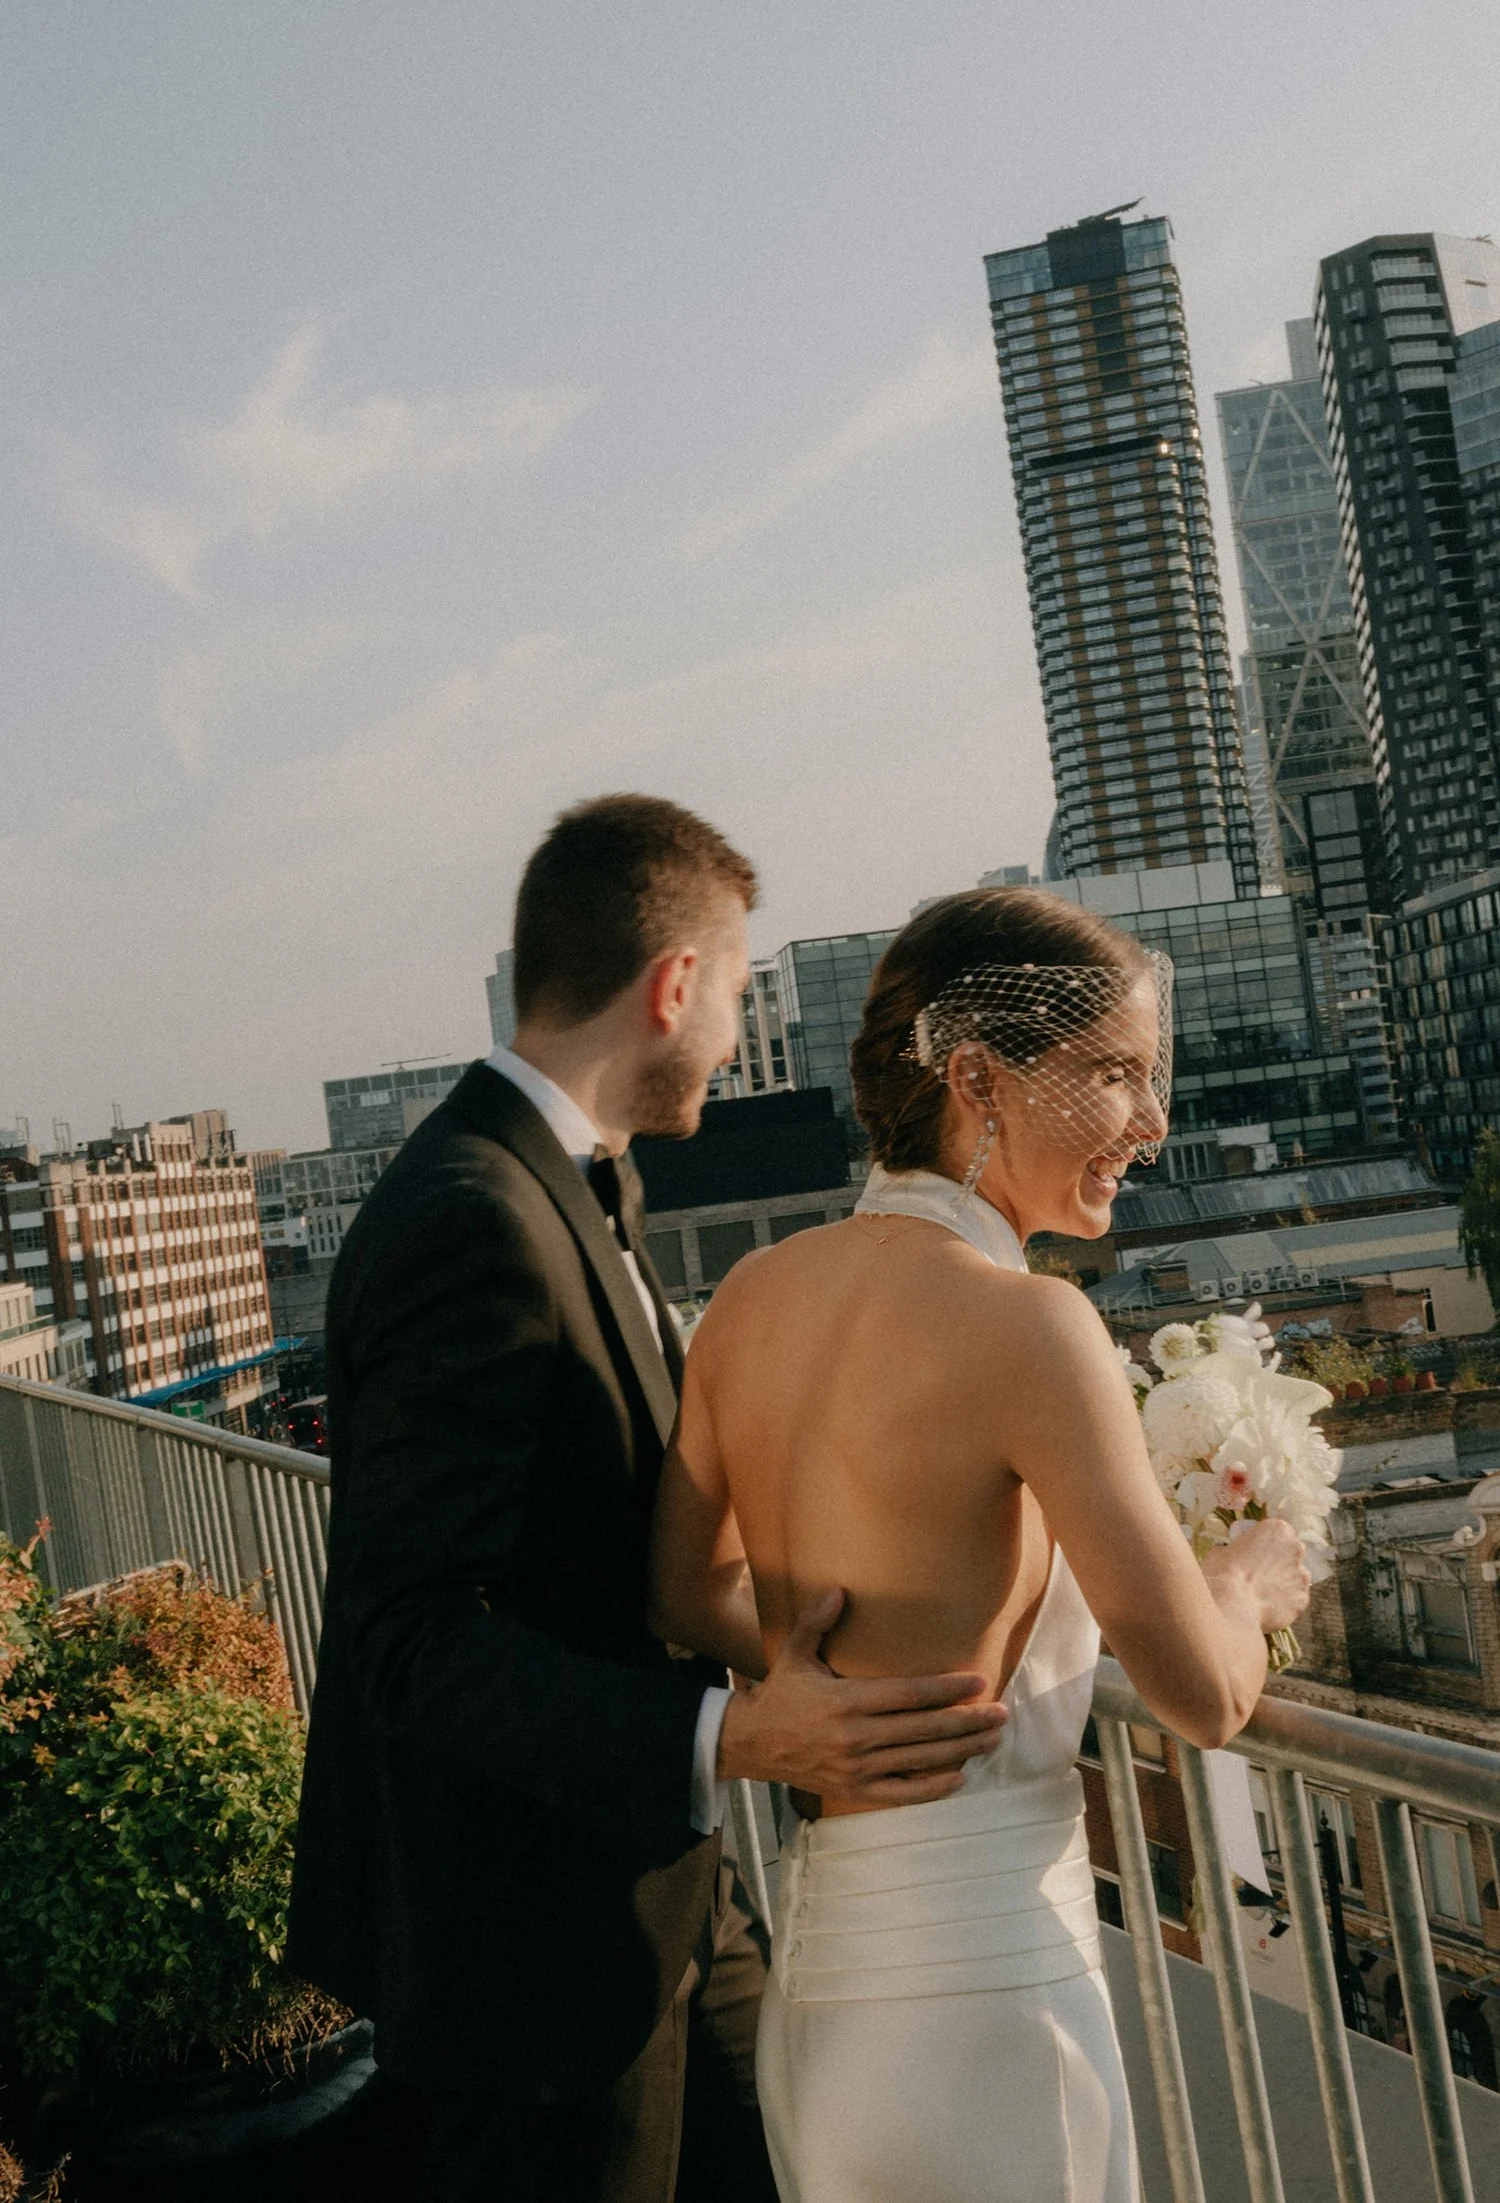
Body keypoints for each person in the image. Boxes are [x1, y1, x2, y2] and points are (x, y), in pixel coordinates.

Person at [287, 795, 1009, 2203]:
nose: (738, 1037)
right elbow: (411, 1639)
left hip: (657, 1895)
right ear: (675, 985)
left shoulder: (566, 1183)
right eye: (737, 993)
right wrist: (732, 1734)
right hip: (529, 1961)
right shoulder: (472, 1216)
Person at [649, 886, 1310, 2203]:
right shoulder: (1029, 1328)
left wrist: (825, 1659)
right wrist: (1241, 1579)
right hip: (994, 1995)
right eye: (1113, 1072)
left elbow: (679, 1585)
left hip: (827, 1991)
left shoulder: (750, 1296)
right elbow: (1204, 1693)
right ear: (976, 1077)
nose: (1152, 1118)